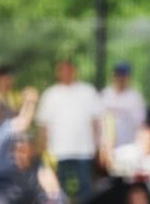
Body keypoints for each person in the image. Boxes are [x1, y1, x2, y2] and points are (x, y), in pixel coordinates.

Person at [36, 60, 101, 200]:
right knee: (58, 192)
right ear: (58, 73)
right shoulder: (50, 94)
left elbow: (96, 122)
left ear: (75, 71)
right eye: (63, 70)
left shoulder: (88, 91)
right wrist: (43, 151)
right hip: (58, 152)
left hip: (84, 151)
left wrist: (98, 146)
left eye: (69, 69)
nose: (66, 73)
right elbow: (43, 126)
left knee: (86, 191)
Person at [101, 64, 147, 150]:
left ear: (128, 77)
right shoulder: (105, 94)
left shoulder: (135, 97)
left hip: (128, 146)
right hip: (107, 147)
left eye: (123, 75)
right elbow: (99, 120)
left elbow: (140, 124)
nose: (120, 78)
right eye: (117, 75)